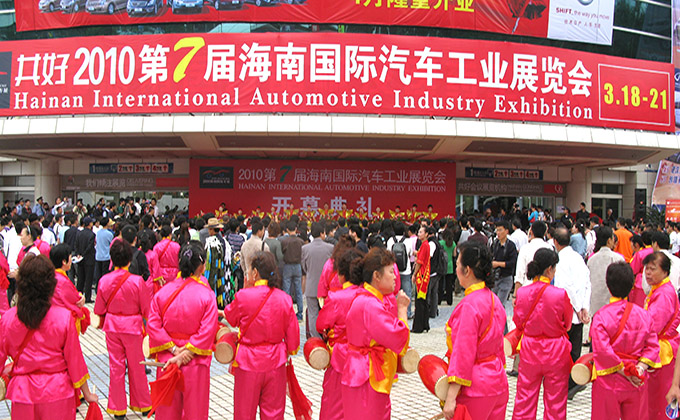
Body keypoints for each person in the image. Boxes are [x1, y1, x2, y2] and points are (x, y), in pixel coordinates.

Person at [0, 254, 98, 420]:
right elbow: (75, 361)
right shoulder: (63, 317)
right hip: (57, 390)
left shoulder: (8, 319)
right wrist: (87, 394)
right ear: (50, 284)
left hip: (23, 392)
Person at [147, 241, 218, 420]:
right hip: (195, 361)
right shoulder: (207, 295)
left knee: (167, 412)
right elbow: (208, 329)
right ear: (202, 266)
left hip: (167, 360)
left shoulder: (162, 293)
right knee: (195, 412)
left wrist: (173, 350)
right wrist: (186, 352)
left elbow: (153, 325)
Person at [224, 251, 300, 420]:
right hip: (276, 361)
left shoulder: (244, 296)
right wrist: (289, 350)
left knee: (244, 413)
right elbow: (294, 340)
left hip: (248, 362)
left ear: (255, 272)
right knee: (274, 414)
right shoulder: (284, 299)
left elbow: (231, 317)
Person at [342, 247, 410, 419]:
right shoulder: (371, 304)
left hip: (357, 372)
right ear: (376, 276)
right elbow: (397, 337)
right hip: (368, 377)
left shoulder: (364, 298)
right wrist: (402, 309)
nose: (395, 277)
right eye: (390, 272)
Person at [443, 241, 508, 420]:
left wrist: (450, 397)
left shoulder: (469, 305)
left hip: (474, 386)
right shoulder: (494, 299)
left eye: (458, 264)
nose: (456, 268)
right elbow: (499, 345)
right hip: (497, 381)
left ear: (467, 270)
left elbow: (463, 352)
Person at [591, 262, 660, 420]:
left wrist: (624, 371)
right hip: (637, 379)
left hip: (609, 379)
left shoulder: (601, 316)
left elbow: (603, 350)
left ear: (608, 285)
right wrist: (639, 369)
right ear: (631, 286)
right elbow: (653, 347)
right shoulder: (644, 315)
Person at [512, 248, 572, 420]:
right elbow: (567, 324)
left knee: (525, 398)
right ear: (549, 269)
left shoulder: (522, 292)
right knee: (556, 401)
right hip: (555, 350)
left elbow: (518, 321)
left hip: (530, 348)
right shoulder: (560, 294)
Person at [94, 240, 152, 418]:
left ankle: (117, 408)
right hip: (133, 327)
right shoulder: (137, 281)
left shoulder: (104, 280)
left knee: (116, 367)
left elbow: (98, 309)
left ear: (112, 259)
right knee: (137, 366)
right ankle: (144, 405)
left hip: (112, 327)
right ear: (129, 259)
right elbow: (147, 309)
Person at [316, 248, 365, 420]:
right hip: (366, 358)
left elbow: (321, 324)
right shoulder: (370, 296)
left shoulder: (336, 298)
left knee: (334, 405)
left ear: (341, 275)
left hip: (341, 357)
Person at [552, 227, 591, 400]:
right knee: (575, 350)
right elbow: (587, 283)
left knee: (564, 351)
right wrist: (584, 307)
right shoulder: (578, 258)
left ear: (555, 241)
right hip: (579, 311)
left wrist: (577, 308)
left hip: (567, 313)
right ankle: (573, 381)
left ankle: (568, 384)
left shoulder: (560, 260)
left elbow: (565, 288)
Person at [642, 251, 680, 419]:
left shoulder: (664, 293)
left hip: (661, 351)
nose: (648, 273)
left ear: (665, 271)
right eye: (646, 269)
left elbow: (653, 327)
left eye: (653, 269)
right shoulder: (659, 289)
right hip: (659, 347)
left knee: (658, 401)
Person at [302, 222, 334, 339]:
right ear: (322, 233)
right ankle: (326, 337)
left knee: (312, 314)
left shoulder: (305, 248)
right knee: (326, 313)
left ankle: (315, 339)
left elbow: (304, 267)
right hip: (326, 287)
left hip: (311, 285)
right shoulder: (330, 248)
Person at [588, 226, 625, 316]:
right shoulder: (618, 258)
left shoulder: (591, 259)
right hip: (613, 305)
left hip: (595, 305)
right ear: (609, 241)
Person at [49, 243, 87, 333]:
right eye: (70, 257)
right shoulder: (63, 281)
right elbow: (76, 300)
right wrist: (81, 297)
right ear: (64, 261)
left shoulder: (51, 276)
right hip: (63, 322)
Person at [491, 221, 517, 332]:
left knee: (500, 305)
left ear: (506, 231)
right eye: (497, 230)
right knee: (494, 305)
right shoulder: (495, 244)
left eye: (500, 230)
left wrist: (498, 264)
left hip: (506, 278)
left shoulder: (511, 246)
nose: (498, 232)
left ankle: (503, 332)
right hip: (495, 278)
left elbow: (512, 262)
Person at [280, 220, 305, 321]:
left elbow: (282, 253)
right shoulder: (301, 241)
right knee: (298, 290)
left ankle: (286, 312)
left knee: (286, 290)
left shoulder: (284, 241)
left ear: (287, 230)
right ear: (295, 229)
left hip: (287, 266)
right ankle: (300, 313)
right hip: (298, 266)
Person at [411, 225, 431, 333]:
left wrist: (414, 274)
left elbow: (420, 262)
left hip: (421, 275)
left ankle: (418, 327)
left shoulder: (424, 245)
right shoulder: (425, 245)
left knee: (419, 302)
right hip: (425, 274)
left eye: (421, 232)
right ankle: (424, 324)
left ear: (426, 234)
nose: (419, 234)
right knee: (423, 301)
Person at [75, 216, 96, 303]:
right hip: (89, 259)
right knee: (88, 279)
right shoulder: (92, 234)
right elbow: (90, 247)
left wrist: (78, 254)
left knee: (80, 278)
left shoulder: (79, 233)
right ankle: (87, 297)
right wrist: (84, 254)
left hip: (80, 259)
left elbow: (76, 245)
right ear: (90, 224)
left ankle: (78, 295)